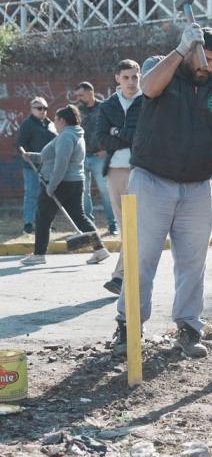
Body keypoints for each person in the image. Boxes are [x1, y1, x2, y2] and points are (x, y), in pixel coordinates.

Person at [112, 23, 212, 358]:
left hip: (197, 187)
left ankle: (189, 328)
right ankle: (128, 326)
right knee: (142, 257)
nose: (211, 68)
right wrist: (179, 49)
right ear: (191, 51)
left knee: (193, 262)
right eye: (207, 59)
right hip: (151, 180)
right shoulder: (160, 67)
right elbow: (148, 88)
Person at [19, 105, 110, 266]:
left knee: (42, 217)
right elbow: (47, 156)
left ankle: (39, 254)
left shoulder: (66, 136)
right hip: (75, 182)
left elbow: (62, 163)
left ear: (62, 120)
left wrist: (51, 186)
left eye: (55, 118)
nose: (53, 121)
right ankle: (100, 250)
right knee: (79, 216)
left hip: (62, 182)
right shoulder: (74, 134)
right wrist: (31, 156)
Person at [93, 59, 143, 295]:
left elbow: (143, 137)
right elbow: (100, 139)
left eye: (135, 77)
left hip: (141, 170)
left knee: (136, 227)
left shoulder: (147, 101)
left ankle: (120, 277)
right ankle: (126, 276)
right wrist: (125, 136)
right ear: (117, 79)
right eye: (126, 77)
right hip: (114, 171)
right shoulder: (107, 106)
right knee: (126, 227)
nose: (131, 82)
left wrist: (118, 132)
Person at [75, 82, 116, 235]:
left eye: (81, 95)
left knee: (105, 191)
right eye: (77, 95)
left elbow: (113, 128)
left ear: (90, 92)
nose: (78, 98)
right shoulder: (77, 110)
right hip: (82, 156)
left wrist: (106, 148)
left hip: (100, 156)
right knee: (83, 192)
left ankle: (113, 225)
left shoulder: (104, 107)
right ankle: (88, 227)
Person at [15, 97, 56, 235]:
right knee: (31, 194)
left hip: (48, 166)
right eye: (39, 108)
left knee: (47, 195)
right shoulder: (27, 124)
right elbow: (20, 143)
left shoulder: (50, 124)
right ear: (32, 109)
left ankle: (46, 223)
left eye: (45, 108)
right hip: (31, 166)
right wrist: (24, 153)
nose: (42, 111)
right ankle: (28, 224)